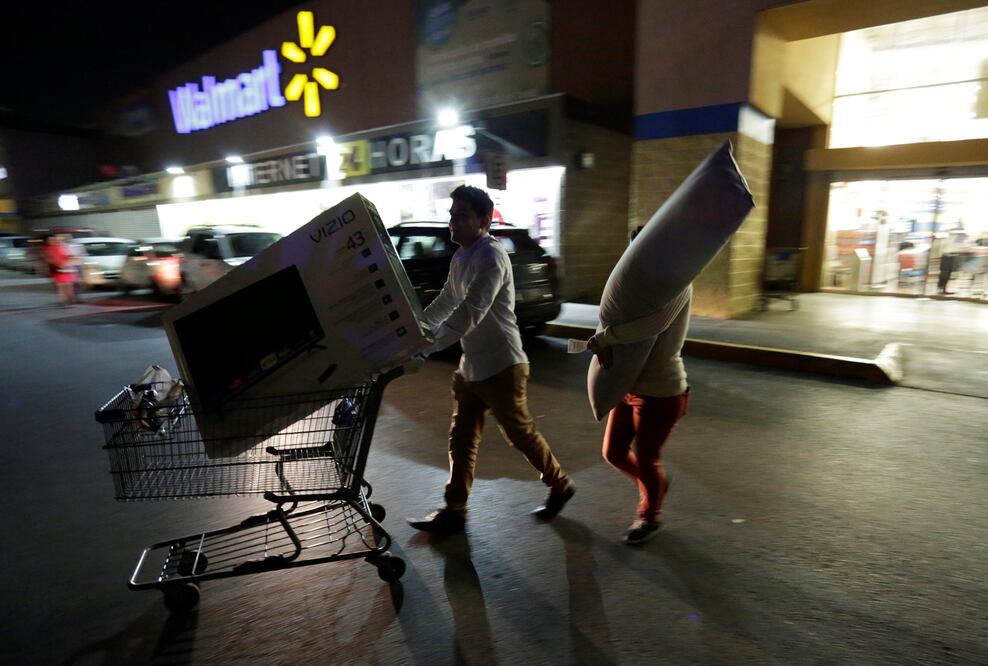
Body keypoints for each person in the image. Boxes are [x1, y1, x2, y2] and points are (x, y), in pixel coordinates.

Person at [408, 185, 575, 533]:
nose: (453, 222)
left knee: (521, 436)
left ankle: (560, 485)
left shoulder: (492, 256)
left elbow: (470, 311)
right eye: (452, 215)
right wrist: (418, 328)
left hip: (502, 365)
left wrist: (427, 346)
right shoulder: (461, 256)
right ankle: (455, 509)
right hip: (472, 367)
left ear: (484, 221)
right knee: (462, 438)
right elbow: (447, 301)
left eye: (462, 216)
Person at [587, 285, 692, 545]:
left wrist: (606, 338)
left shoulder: (679, 281)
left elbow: (654, 324)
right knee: (613, 452)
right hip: (628, 384)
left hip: (661, 389)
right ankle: (654, 483)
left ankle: (650, 517)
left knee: (647, 457)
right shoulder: (644, 274)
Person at [43, 234, 79, 306]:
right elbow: (49, 259)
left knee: (68, 285)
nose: (51, 241)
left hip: (66, 269)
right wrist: (58, 264)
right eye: (49, 240)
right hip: (57, 270)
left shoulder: (63, 247)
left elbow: (70, 256)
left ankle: (69, 300)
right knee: (61, 286)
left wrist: (66, 263)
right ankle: (64, 302)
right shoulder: (48, 249)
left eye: (53, 240)